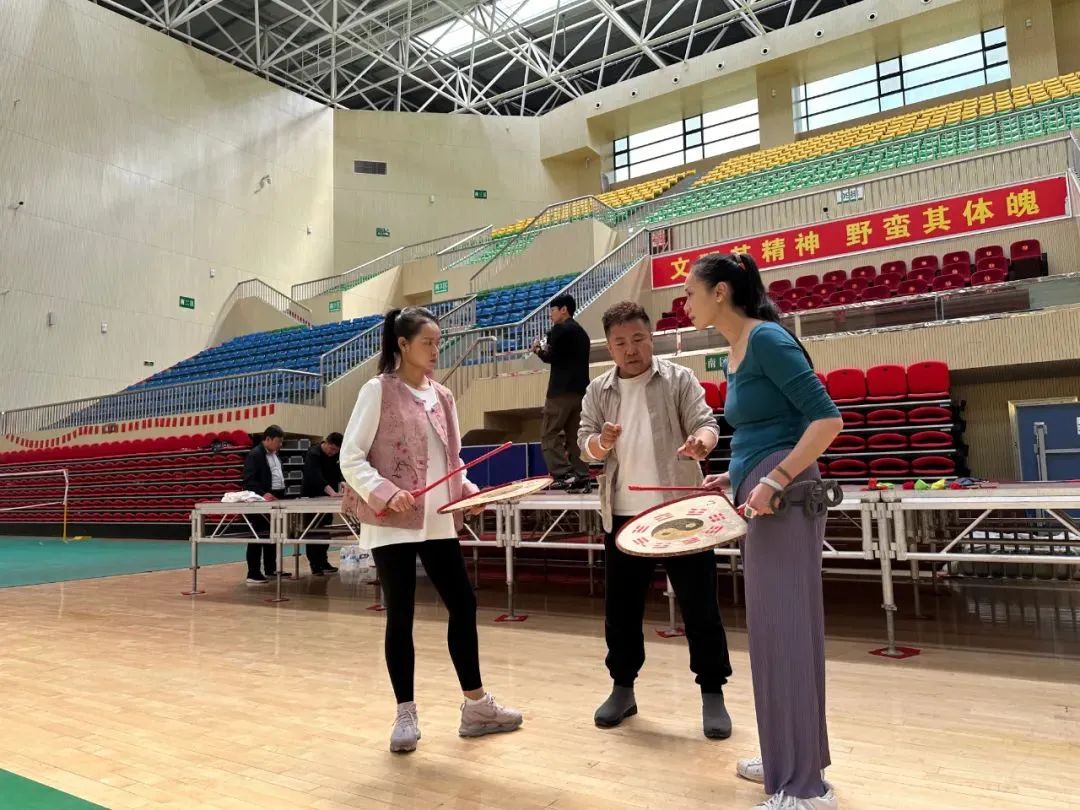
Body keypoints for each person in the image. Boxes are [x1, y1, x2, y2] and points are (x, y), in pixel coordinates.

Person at [683, 253, 843, 810]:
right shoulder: (736, 352)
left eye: (691, 292)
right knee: (774, 634)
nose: (685, 303)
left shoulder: (768, 339)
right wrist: (734, 475)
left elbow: (826, 420)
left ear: (721, 292)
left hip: (786, 497)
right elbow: (769, 429)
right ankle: (786, 753)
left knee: (787, 632)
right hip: (761, 490)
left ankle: (804, 786)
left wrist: (773, 479)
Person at [339, 306, 523, 754]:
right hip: (393, 523)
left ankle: (476, 707)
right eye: (428, 342)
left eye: (438, 342)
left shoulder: (443, 396)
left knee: (463, 603)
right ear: (402, 345)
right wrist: (385, 492)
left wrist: (469, 491)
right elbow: (350, 457)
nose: (436, 350)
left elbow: (453, 460)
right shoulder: (377, 390)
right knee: (400, 613)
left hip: (439, 518)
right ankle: (405, 712)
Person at [577, 301, 734, 740]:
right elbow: (585, 443)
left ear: (652, 338)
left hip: (679, 512)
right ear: (609, 347)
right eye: (620, 343)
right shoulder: (598, 390)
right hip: (623, 516)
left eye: (638, 339)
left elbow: (706, 423)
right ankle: (622, 688)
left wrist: (701, 442)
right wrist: (601, 443)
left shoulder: (678, 379)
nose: (631, 350)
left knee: (700, 606)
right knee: (621, 611)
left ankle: (712, 692)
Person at [532, 293, 592, 492]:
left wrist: (538, 350)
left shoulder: (559, 330)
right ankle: (582, 475)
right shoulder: (583, 333)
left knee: (549, 434)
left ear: (564, 309)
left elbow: (551, 357)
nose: (550, 315)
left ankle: (563, 474)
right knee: (575, 436)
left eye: (553, 310)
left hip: (560, 392)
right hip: (581, 392)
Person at [242, 424, 291, 584]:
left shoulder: (275, 455)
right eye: (278, 441)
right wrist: (263, 493)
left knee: (273, 535)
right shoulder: (255, 455)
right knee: (258, 536)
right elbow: (249, 480)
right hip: (261, 499)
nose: (280, 445)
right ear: (268, 439)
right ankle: (253, 572)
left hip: (276, 497)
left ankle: (271, 568)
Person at [301, 432, 344, 575]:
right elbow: (316, 477)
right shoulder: (313, 453)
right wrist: (332, 492)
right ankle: (315, 564)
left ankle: (323, 561)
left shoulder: (335, 455)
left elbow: (338, 472)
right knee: (313, 530)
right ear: (326, 443)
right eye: (332, 449)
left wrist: (342, 483)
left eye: (336, 451)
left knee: (325, 530)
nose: (333, 453)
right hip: (312, 497)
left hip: (326, 498)